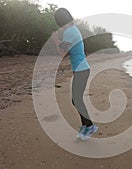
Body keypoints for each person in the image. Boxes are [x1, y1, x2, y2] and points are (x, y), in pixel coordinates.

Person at [53, 8, 98, 140]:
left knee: (76, 100)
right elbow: (67, 51)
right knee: (76, 100)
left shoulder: (69, 32)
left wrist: (55, 40)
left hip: (81, 70)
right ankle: (86, 126)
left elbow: (62, 53)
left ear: (59, 20)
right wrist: (60, 43)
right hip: (81, 69)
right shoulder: (73, 29)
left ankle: (89, 126)